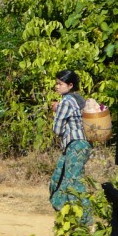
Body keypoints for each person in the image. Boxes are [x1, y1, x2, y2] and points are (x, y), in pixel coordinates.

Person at [49, 69, 92, 224]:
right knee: (61, 178)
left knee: (73, 182)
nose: (57, 87)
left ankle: (86, 222)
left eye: (60, 84)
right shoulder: (79, 99)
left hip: (74, 145)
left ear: (70, 85)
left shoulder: (66, 102)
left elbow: (57, 129)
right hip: (84, 145)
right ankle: (67, 215)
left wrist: (57, 111)